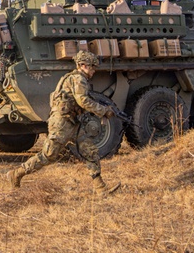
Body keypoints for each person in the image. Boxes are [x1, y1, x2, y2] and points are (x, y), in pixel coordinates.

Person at [7, 50, 121, 195]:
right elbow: (83, 101)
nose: (94, 71)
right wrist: (103, 110)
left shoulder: (75, 78)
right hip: (61, 122)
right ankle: (16, 174)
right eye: (92, 67)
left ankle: (100, 188)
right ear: (82, 65)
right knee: (49, 155)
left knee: (89, 151)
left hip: (73, 122)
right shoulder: (78, 79)